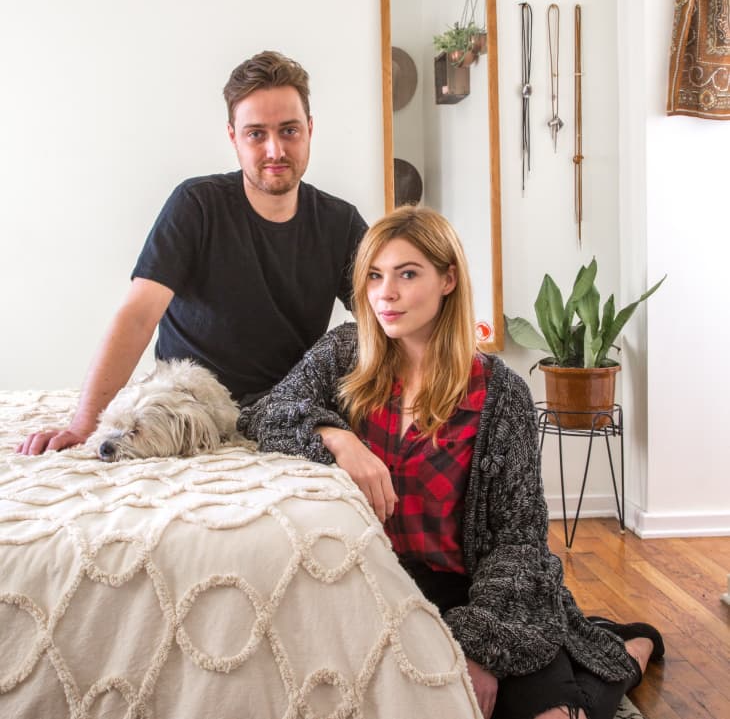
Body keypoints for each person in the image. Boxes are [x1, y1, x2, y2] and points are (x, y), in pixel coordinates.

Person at [245, 206, 664, 719]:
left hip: (482, 594)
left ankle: (626, 652)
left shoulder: (500, 392)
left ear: (448, 279)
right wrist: (337, 438)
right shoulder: (344, 354)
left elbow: (519, 540)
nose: (386, 294)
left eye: (407, 274)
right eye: (374, 276)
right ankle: (604, 644)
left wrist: (479, 650)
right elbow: (264, 416)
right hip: (376, 592)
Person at [18, 50, 367, 456]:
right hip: (186, 403)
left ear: (309, 129)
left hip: (285, 404)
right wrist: (83, 425)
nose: (275, 150)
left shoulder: (340, 222)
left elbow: (386, 317)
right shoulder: (196, 205)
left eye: (289, 130)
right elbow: (138, 316)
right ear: (233, 137)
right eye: (256, 133)